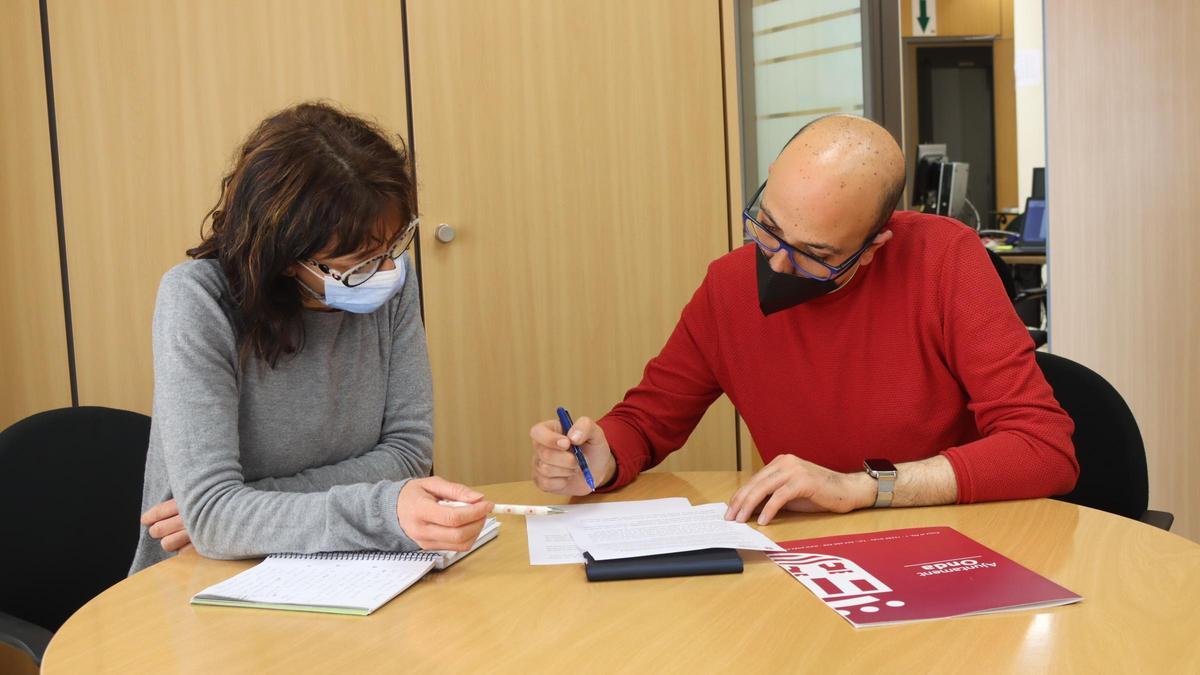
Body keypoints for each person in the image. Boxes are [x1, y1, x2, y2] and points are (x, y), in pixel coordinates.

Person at [529, 115, 1077, 525]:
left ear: (872, 246)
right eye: (766, 227)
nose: (776, 262)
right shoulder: (728, 286)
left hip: (952, 537)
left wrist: (862, 487)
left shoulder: (945, 260)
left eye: (814, 253)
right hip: (809, 552)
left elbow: (1043, 450)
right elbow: (647, 423)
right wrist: (600, 457)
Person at [132, 102, 491, 574]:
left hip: (352, 568)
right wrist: (378, 508)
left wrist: (245, 509)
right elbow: (213, 522)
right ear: (284, 254)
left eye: (391, 247)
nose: (385, 272)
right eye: (359, 261)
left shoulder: (390, 283)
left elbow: (407, 455)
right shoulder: (198, 301)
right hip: (203, 581)